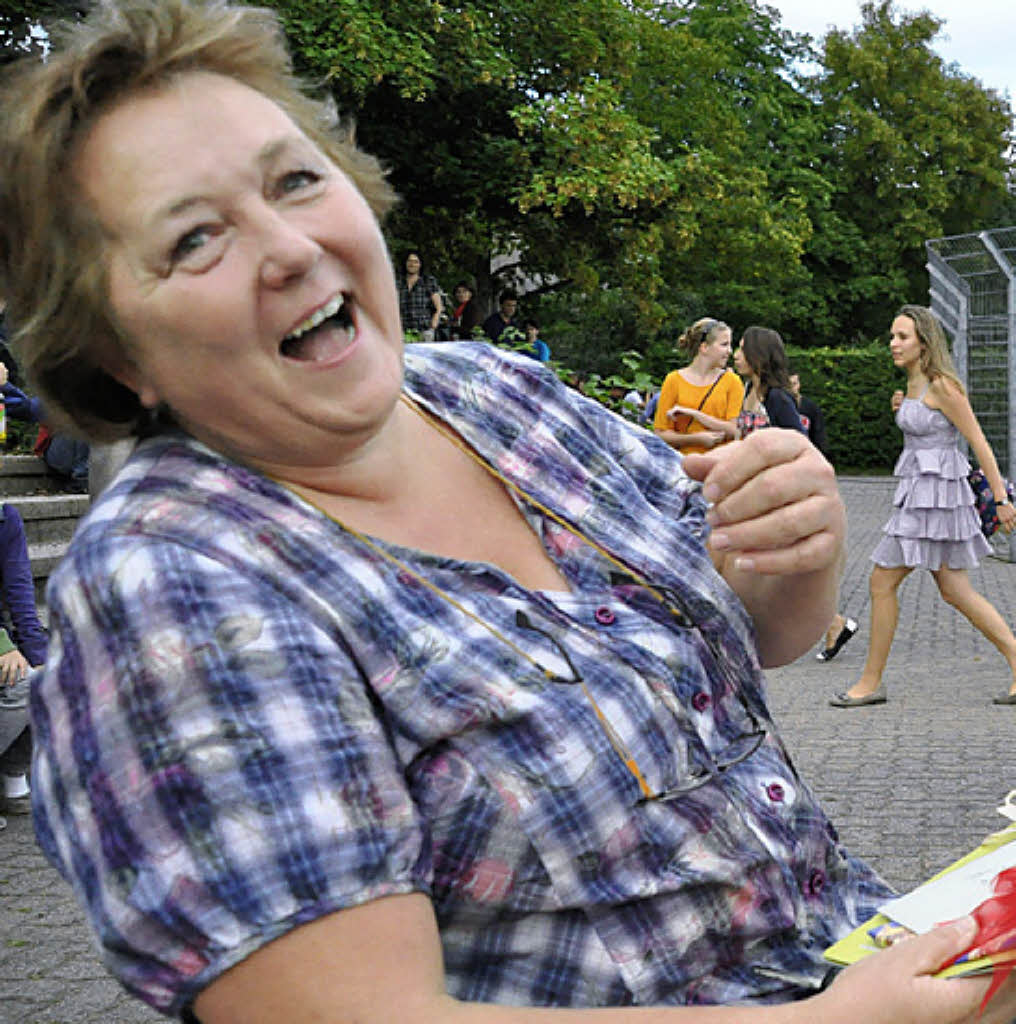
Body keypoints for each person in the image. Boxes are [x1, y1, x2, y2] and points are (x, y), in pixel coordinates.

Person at [2, 5, 1014, 1023]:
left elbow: (753, 637)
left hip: (859, 950)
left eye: (295, 180)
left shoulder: (487, 392)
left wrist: (791, 554)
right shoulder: (171, 585)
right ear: (110, 353)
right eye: (194, 238)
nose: (290, 248)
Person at [832, 305, 1016, 708]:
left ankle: (870, 682)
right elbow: (922, 431)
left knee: (882, 582)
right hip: (918, 497)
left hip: (938, 501)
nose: (893, 344)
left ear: (924, 342)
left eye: (902, 337)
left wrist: (1001, 500)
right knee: (954, 589)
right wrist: (903, 409)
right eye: (892, 336)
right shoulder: (913, 385)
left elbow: (979, 443)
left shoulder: (943, 386)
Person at [787, 372, 857, 663]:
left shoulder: (805, 408)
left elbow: (818, 444)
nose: (791, 386)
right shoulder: (756, 400)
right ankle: (833, 622)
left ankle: (833, 622)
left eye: (795, 382)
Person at [0, 502, 47, 824]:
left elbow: (19, 588)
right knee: (21, 685)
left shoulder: (5, 516)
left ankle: (12, 775)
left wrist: (39, 655)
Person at [654, 318, 743, 455]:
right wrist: (695, 439)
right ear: (704, 347)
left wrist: (695, 414)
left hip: (720, 464)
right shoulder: (673, 380)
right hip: (682, 465)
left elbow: (736, 430)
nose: (729, 351)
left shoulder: (732, 381)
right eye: (724, 345)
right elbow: (661, 433)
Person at [732, 327, 804, 438]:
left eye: (743, 350)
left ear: (760, 354)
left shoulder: (777, 397)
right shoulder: (748, 388)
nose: (736, 355)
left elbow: (800, 441)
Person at [397, 250, 443, 341]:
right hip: (402, 329)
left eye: (415, 262)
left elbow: (438, 306)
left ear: (420, 264)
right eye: (409, 261)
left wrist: (434, 322)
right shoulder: (397, 282)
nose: (412, 264)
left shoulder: (428, 281)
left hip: (424, 329)